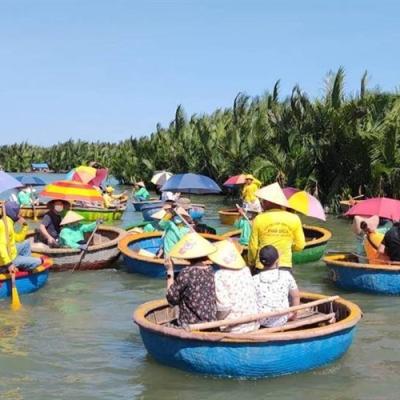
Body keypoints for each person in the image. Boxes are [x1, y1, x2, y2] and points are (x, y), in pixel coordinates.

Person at [248, 182, 305, 271]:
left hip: (263, 265)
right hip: (284, 265)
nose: (262, 203)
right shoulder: (294, 218)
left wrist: (251, 263)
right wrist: (286, 248)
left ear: (269, 201)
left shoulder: (258, 219)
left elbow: (253, 247)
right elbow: (300, 245)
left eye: (263, 200)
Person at [165, 232, 217, 326]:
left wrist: (170, 272)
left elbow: (171, 299)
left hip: (190, 324)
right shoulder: (211, 270)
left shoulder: (187, 272)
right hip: (211, 322)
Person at [210, 240, 259, 333]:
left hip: (233, 327)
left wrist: (216, 321)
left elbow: (225, 307)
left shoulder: (220, 275)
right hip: (253, 322)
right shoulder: (246, 270)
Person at [253, 245, 300, 327]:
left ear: (260, 261)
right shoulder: (286, 275)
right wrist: (293, 314)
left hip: (261, 320)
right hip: (282, 319)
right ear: (277, 260)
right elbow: (296, 296)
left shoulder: (254, 279)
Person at [0, 201, 41, 273]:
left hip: (11, 252)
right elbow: (1, 246)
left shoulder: (8, 222)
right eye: (18, 212)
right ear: (13, 212)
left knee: (26, 243)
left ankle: (24, 266)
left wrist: (25, 226)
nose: (19, 214)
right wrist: (8, 264)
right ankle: (5, 268)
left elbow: (18, 239)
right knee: (38, 261)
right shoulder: (4, 225)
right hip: (5, 260)